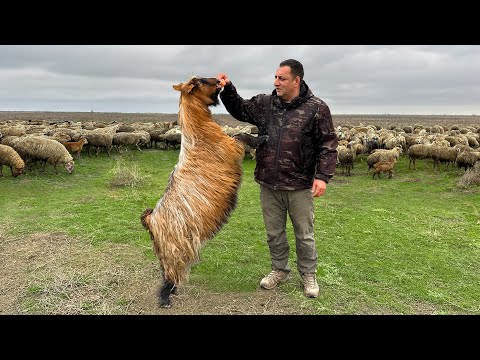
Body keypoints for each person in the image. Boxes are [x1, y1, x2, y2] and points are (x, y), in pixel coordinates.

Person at [217, 59, 338, 298]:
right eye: (275, 77)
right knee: (274, 232)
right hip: (269, 183)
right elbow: (239, 109)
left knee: (304, 233)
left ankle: (308, 274)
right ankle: (279, 269)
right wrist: (228, 88)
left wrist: (323, 176)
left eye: (281, 78)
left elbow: (328, 144)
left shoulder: (316, 108)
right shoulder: (265, 103)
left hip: (299, 185)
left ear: (296, 80)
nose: (276, 82)